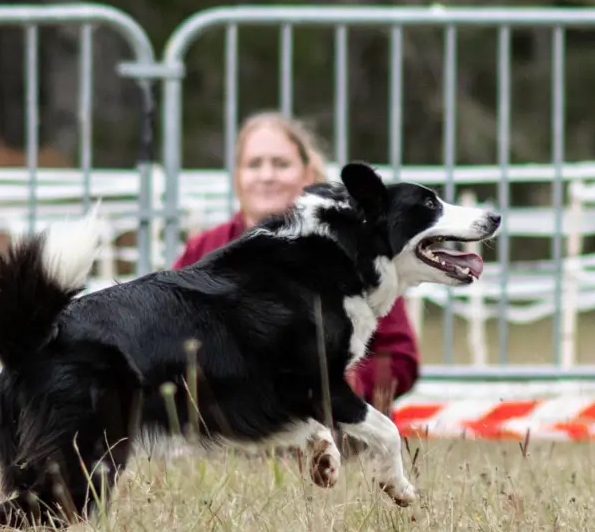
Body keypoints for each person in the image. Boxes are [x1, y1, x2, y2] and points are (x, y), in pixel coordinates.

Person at [172, 112, 420, 412]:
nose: (266, 175)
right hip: (227, 436)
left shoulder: (359, 251)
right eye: (254, 164)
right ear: (237, 176)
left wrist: (343, 385)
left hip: (338, 433)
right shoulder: (203, 249)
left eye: (281, 164)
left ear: (307, 172)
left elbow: (400, 356)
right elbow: (167, 338)